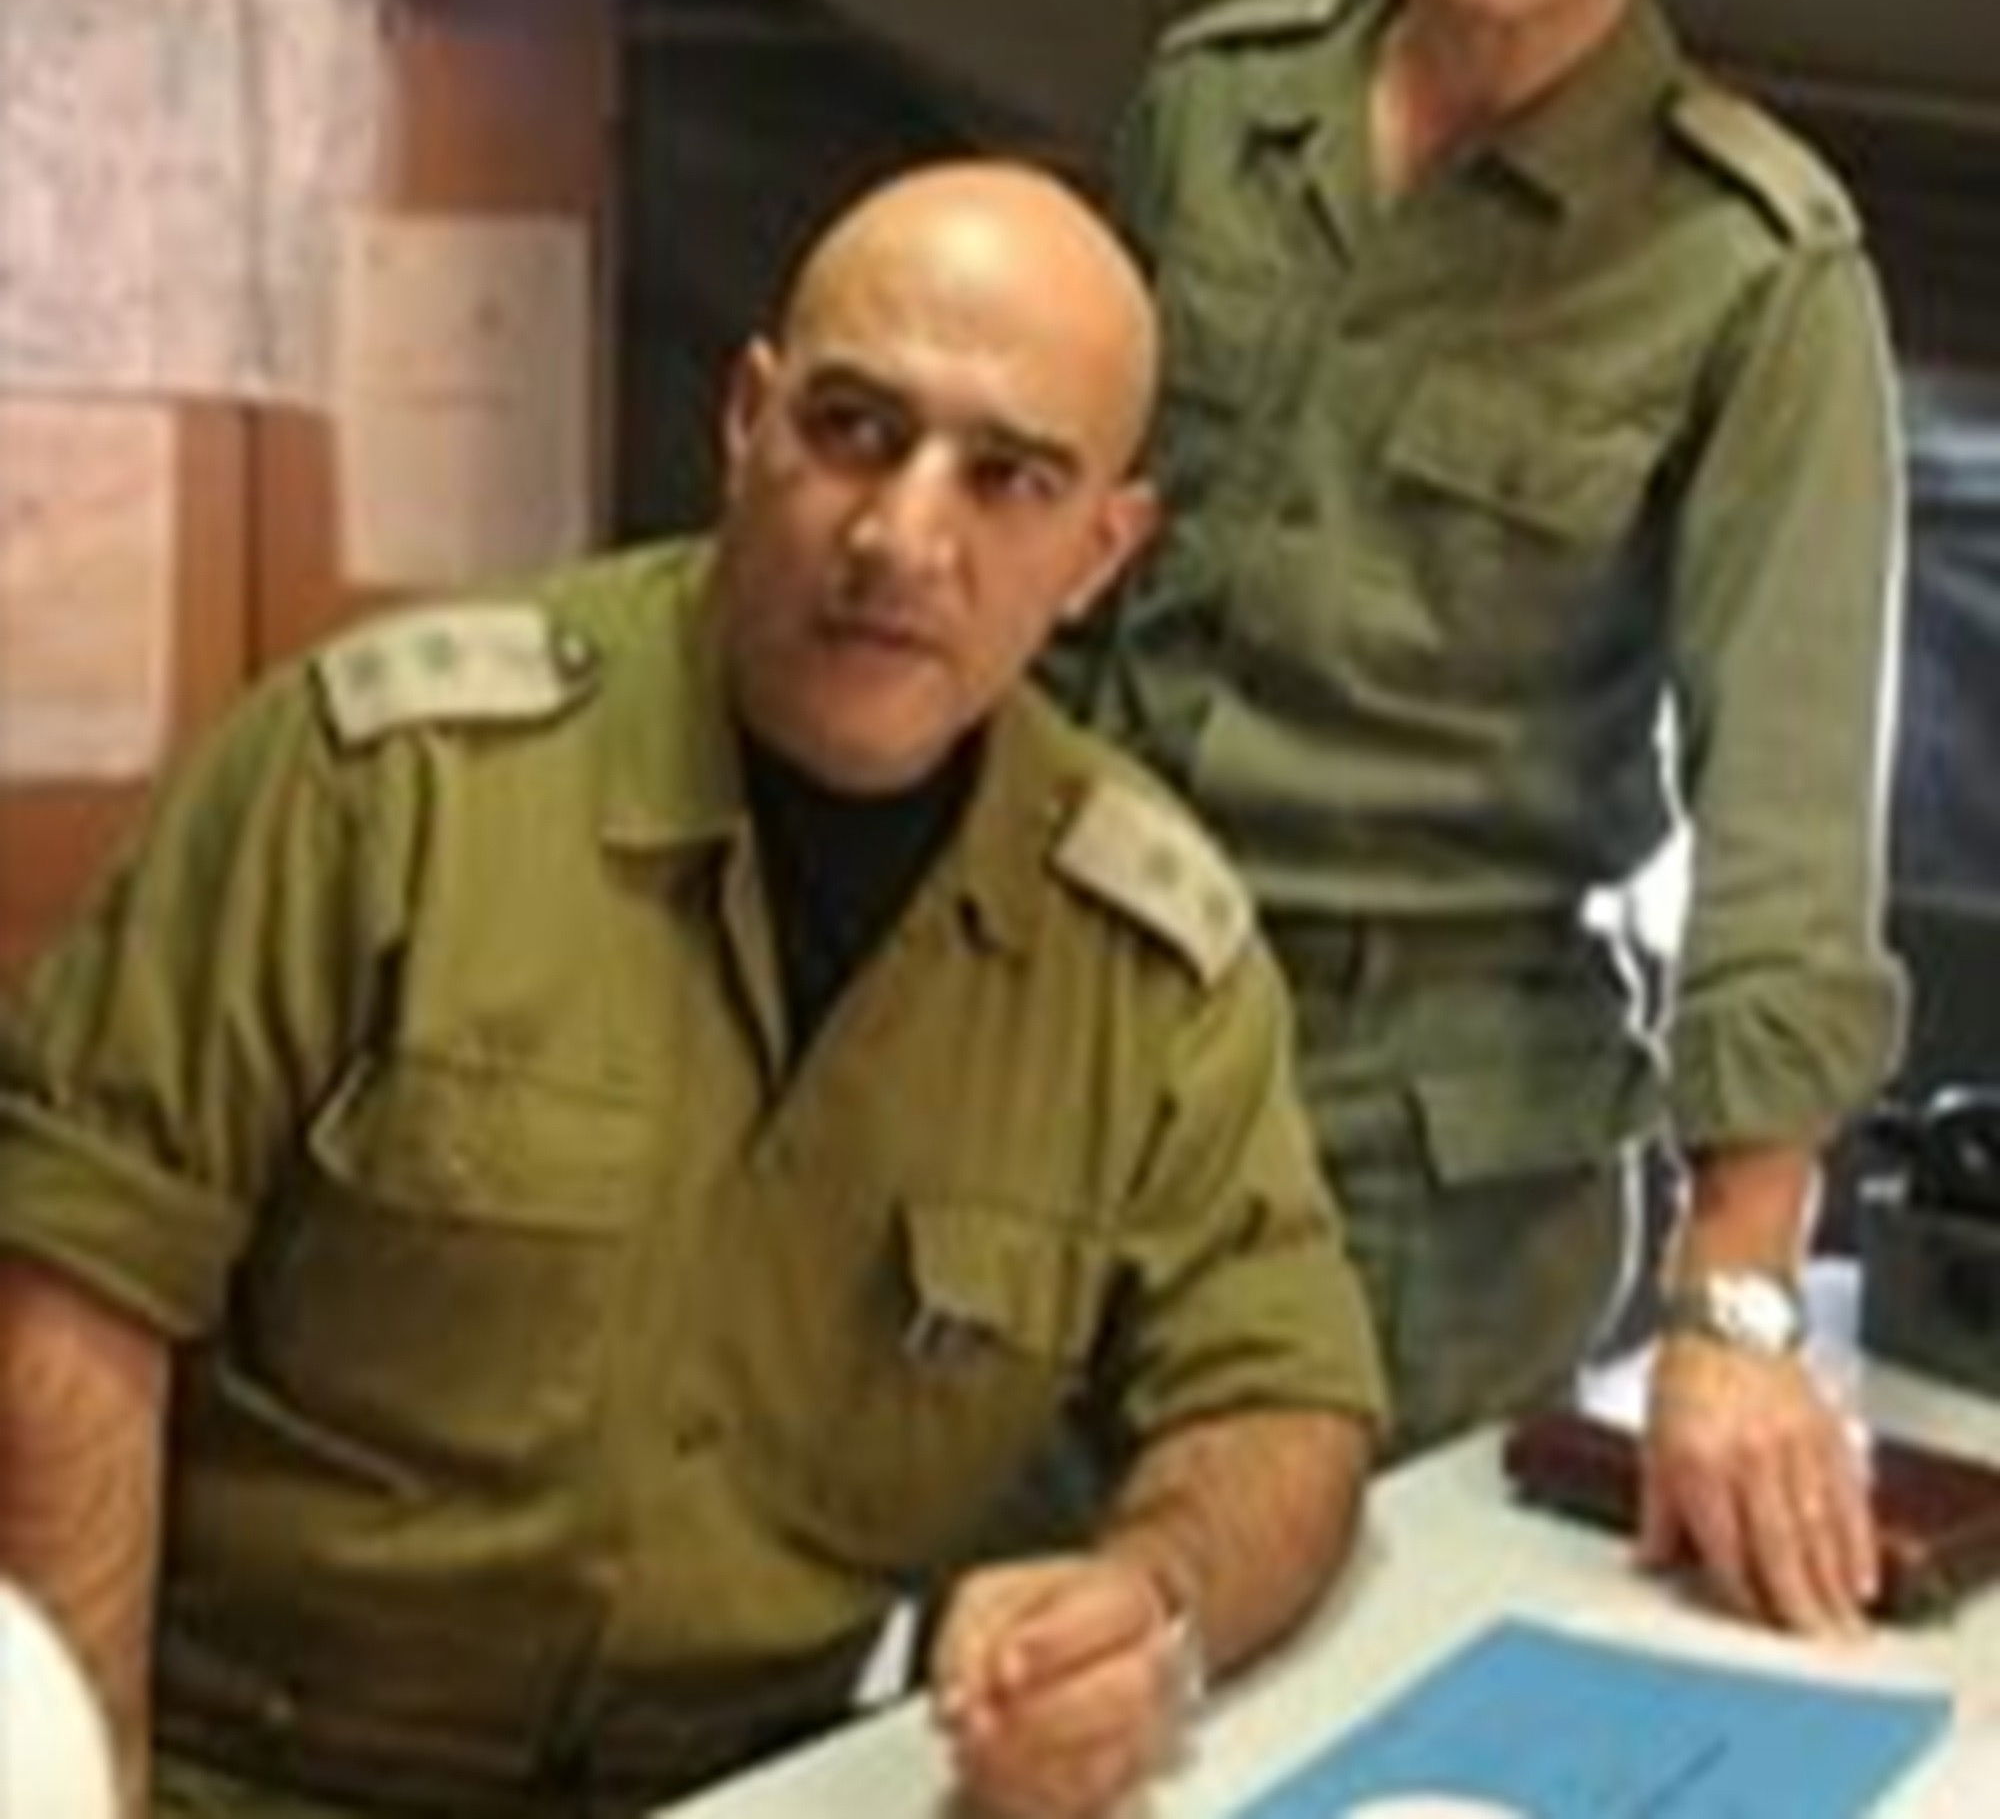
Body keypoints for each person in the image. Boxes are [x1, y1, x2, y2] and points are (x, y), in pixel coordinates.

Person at [0, 162, 1383, 1819]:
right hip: (263, 1771)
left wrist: (1147, 1608)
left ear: (1101, 551)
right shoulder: (385, 785)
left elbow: (1282, 1395)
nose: (900, 537)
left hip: (755, 1789)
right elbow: (76, 1287)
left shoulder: (1145, 959)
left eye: (1007, 478)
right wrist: (76, 1785)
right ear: (745, 422)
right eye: (854, 429)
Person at [1060, 0, 1907, 1638]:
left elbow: (1791, 825)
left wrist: (1738, 1299)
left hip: (1426, 1171)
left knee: (1343, 1711)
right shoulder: (1213, 110)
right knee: (1023, 1681)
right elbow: (1059, 593)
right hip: (1066, 1065)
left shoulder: (1750, 269)